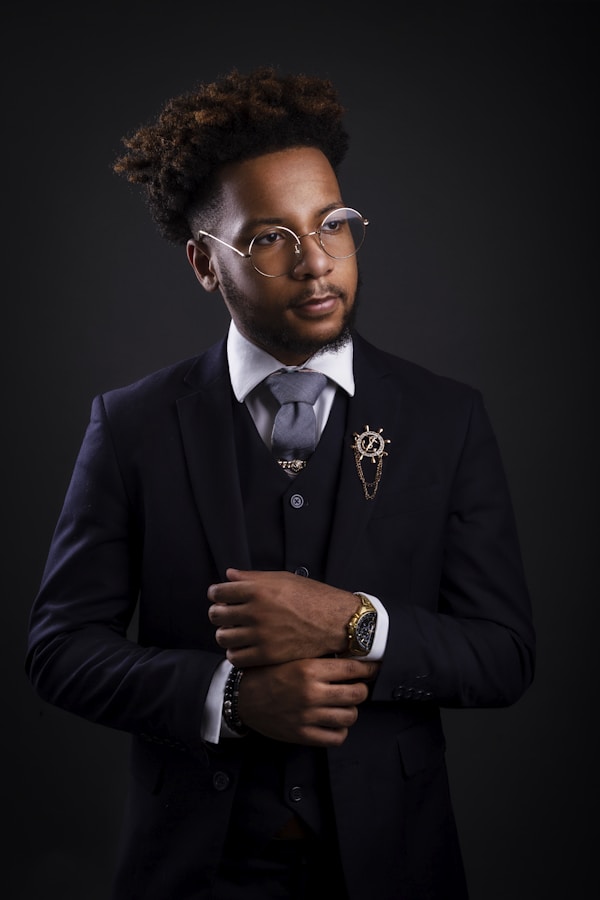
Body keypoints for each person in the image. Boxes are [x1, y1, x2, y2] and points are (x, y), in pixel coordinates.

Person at [25, 66, 535, 900]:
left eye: (332, 223)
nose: (316, 263)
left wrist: (357, 624)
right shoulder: (132, 425)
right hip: (194, 870)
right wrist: (226, 699)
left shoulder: (449, 418)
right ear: (202, 263)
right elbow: (58, 652)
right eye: (269, 237)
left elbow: (506, 655)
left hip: (393, 867)